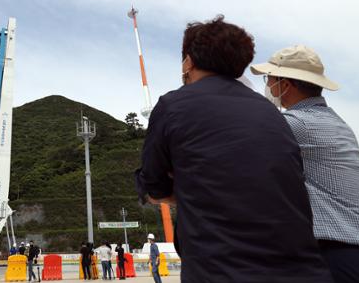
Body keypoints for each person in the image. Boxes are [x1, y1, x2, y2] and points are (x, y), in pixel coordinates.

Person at [135, 16, 333, 283]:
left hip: (221, 269)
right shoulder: (271, 112)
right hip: (303, 270)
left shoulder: (174, 105)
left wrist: (185, 187)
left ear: (188, 62)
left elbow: (154, 185)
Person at [252, 45, 359, 283]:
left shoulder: (294, 123)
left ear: (285, 84)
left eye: (268, 78)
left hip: (330, 254)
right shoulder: (339, 123)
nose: (267, 85)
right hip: (352, 247)